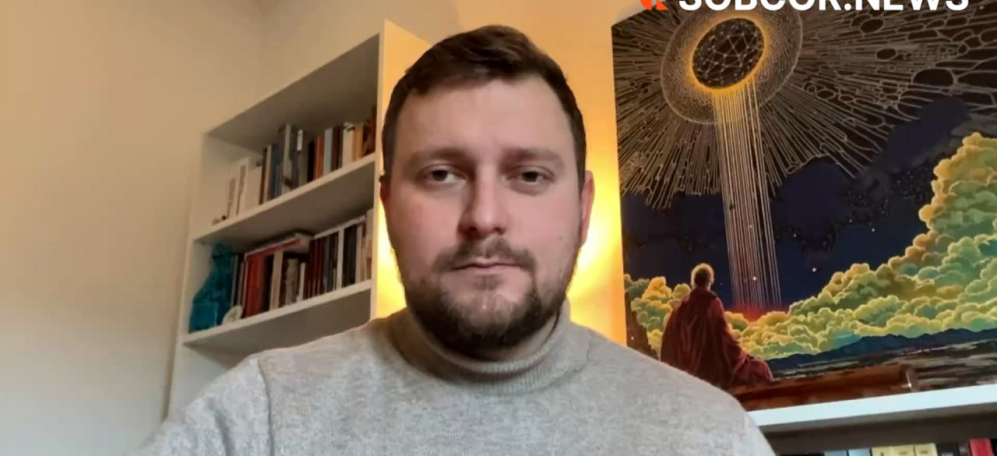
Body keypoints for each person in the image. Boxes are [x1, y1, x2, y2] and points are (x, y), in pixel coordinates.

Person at [134, 25, 774, 455]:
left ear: (583, 209)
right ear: (388, 206)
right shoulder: (259, 417)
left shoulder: (711, 436)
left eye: (529, 175)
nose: (484, 217)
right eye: (442, 174)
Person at [660, 264, 775, 390]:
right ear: (710, 282)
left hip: (687, 378)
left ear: (693, 283)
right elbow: (725, 342)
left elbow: (668, 347)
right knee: (761, 368)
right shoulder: (712, 303)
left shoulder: (678, 310)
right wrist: (745, 356)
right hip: (711, 375)